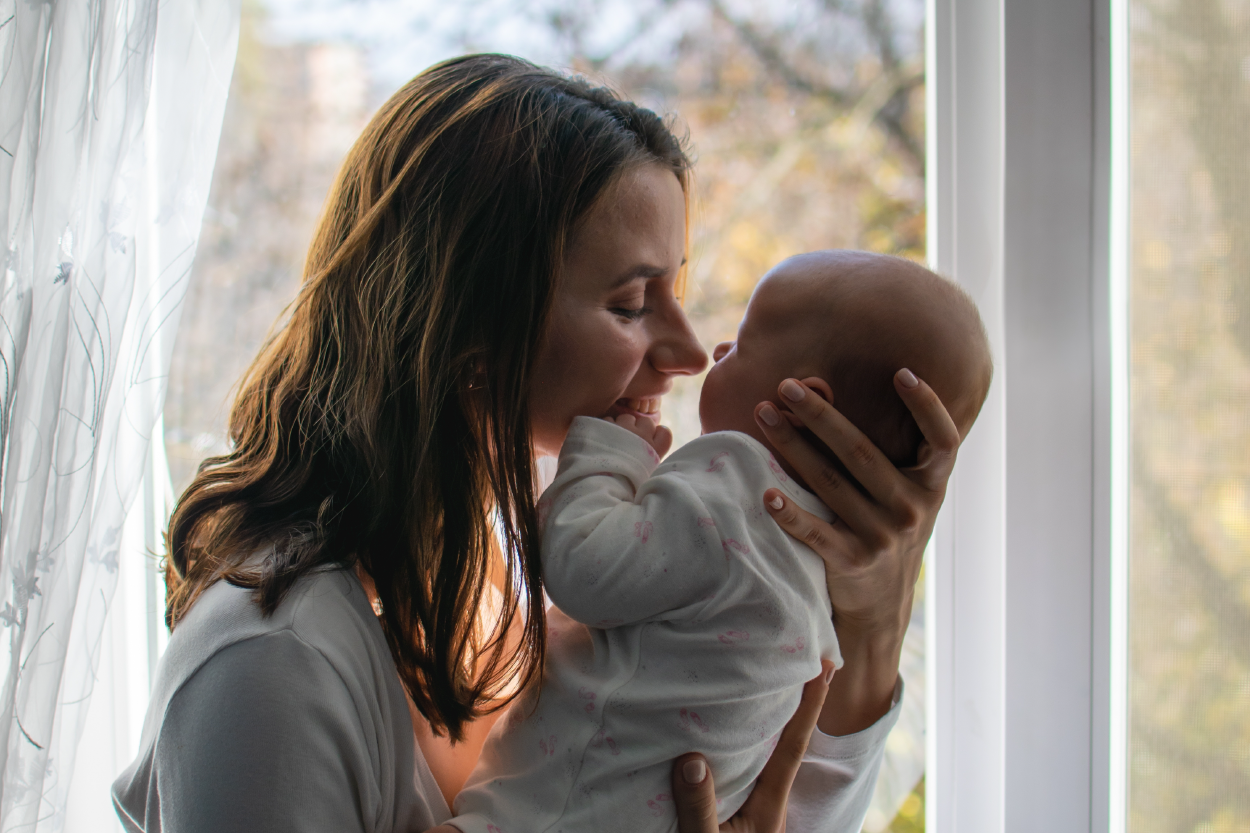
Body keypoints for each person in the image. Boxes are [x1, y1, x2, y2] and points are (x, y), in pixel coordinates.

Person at [112, 54, 965, 833]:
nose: (689, 351)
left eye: (678, 289)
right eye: (633, 303)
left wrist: (871, 618)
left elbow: (741, 796)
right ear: (469, 335)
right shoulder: (269, 670)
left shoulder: (530, 582)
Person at [448, 250, 991, 833]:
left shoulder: (732, 487)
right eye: (630, 306)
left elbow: (582, 567)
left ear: (803, 406)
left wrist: (606, 458)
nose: (703, 352)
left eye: (741, 342)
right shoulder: (812, 574)